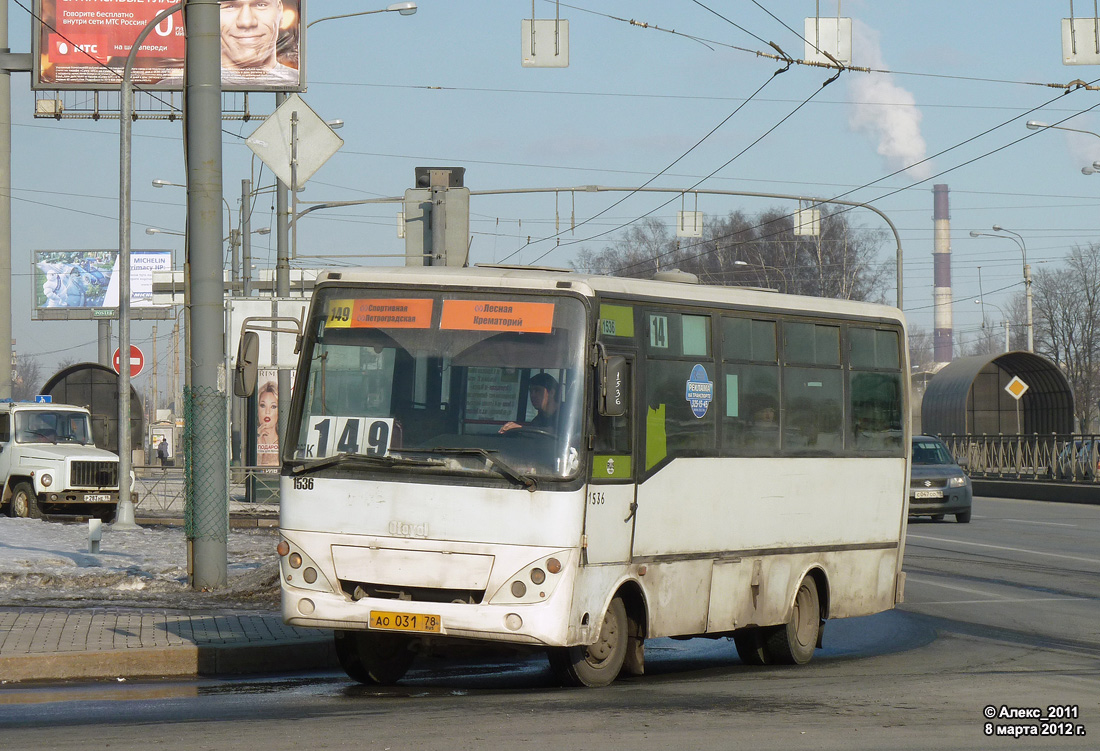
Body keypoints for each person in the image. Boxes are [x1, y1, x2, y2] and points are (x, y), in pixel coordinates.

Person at [219, 0, 299, 86]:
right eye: (230, 6)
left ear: (280, 10)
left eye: (261, 5)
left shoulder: (295, 79)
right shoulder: (204, 82)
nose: (246, 22)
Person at [257, 381, 280, 466]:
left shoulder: (284, 442)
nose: (267, 412)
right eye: (263, 405)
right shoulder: (251, 441)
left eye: (273, 407)